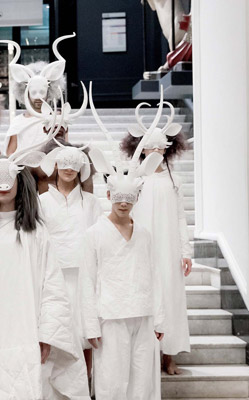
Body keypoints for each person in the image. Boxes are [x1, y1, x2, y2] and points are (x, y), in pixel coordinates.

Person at [0, 117, 89, 399]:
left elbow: (52, 287)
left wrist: (48, 333)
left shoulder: (36, 233)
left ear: (19, 180)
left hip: (26, 330)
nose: (4, 184)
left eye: (10, 177)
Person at [82, 93, 167, 399]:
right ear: (108, 196)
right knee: (112, 381)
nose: (122, 204)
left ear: (136, 199)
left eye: (129, 199)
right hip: (111, 316)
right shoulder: (94, 234)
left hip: (142, 314)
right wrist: (90, 325)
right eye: (118, 198)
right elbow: (86, 281)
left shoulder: (144, 234)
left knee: (142, 382)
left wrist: (159, 316)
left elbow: (154, 274)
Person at [121, 102, 192, 375]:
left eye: (159, 147)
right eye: (150, 147)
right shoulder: (134, 178)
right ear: (141, 149)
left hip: (169, 249)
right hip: (141, 248)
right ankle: (144, 355)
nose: (155, 152)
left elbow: (180, 217)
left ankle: (168, 356)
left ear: (166, 149)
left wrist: (185, 251)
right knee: (143, 296)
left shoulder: (174, 181)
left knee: (170, 297)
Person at [39, 140, 102, 380]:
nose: (69, 168)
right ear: (55, 164)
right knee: (56, 329)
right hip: (53, 277)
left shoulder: (91, 203)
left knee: (85, 331)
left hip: (84, 276)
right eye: (64, 163)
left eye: (74, 163)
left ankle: (86, 383)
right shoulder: (41, 202)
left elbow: (99, 239)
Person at [0, 34, 75, 154]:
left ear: (49, 91)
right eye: (33, 92)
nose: (38, 97)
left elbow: (64, 149)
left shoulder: (58, 119)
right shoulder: (18, 122)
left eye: (42, 91)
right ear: (26, 93)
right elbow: (10, 154)